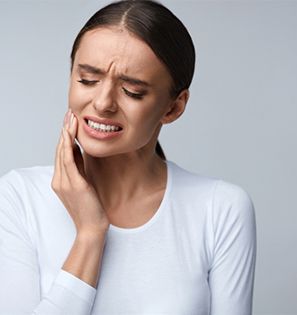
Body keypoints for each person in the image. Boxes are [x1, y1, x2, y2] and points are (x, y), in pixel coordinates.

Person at [0, 0, 256, 314]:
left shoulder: (220, 209)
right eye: (87, 80)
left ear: (173, 107)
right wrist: (90, 235)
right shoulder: (18, 197)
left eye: (132, 91)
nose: (103, 103)